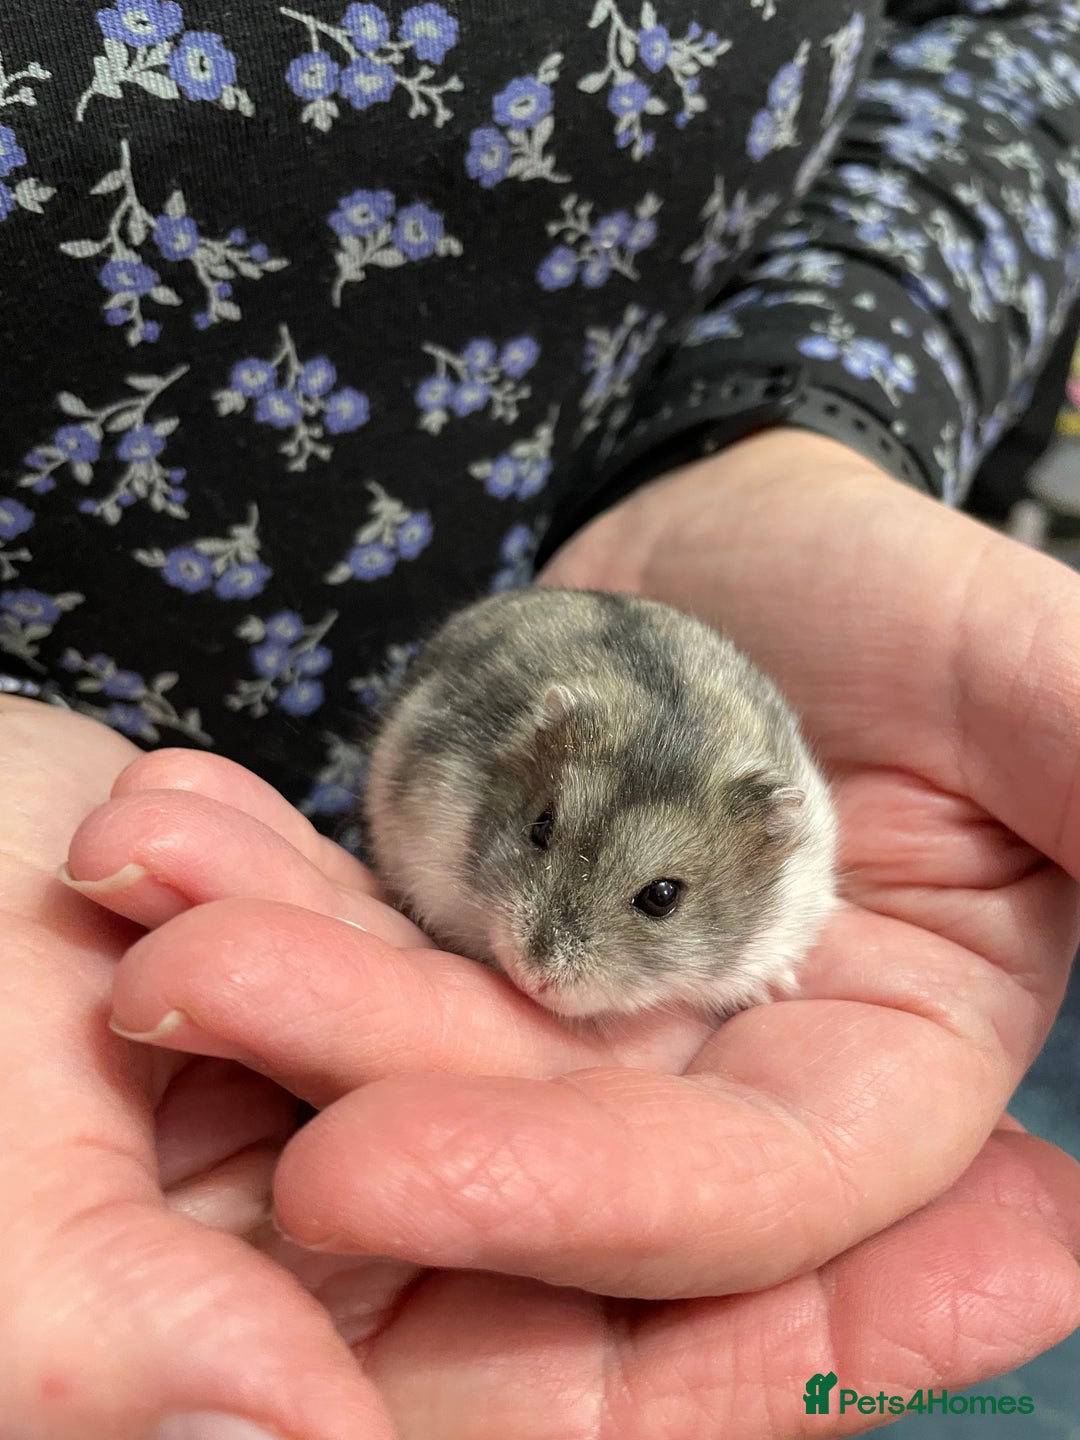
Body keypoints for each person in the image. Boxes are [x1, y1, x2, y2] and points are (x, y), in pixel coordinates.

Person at [1, 1, 1079, 1436]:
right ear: (535, 772)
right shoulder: (511, 753)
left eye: (656, 899)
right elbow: (460, 794)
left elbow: (1025, 32)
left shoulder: (777, 844)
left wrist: (801, 419)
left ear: (755, 866)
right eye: (547, 838)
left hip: (614, 476)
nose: (547, 957)